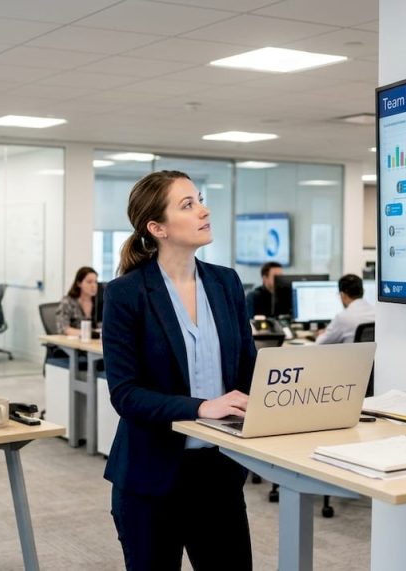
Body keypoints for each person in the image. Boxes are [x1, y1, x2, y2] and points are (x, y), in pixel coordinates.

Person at [102, 170, 256, 571]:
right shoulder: (126, 294)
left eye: (200, 199)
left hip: (219, 475)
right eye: (187, 205)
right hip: (151, 479)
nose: (204, 210)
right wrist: (200, 407)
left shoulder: (226, 283)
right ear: (157, 228)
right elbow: (126, 393)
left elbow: (247, 371)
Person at [315, 274, 376, 345]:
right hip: (371, 355)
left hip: (351, 356)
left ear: (342, 295)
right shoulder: (377, 312)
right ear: (363, 291)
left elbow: (320, 343)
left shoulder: (342, 318)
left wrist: (321, 334)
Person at [57, 266, 98, 336]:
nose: (93, 286)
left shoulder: (98, 302)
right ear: (79, 283)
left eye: (95, 282)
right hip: (73, 344)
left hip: (94, 343)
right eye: (89, 282)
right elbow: (63, 328)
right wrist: (89, 334)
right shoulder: (68, 301)